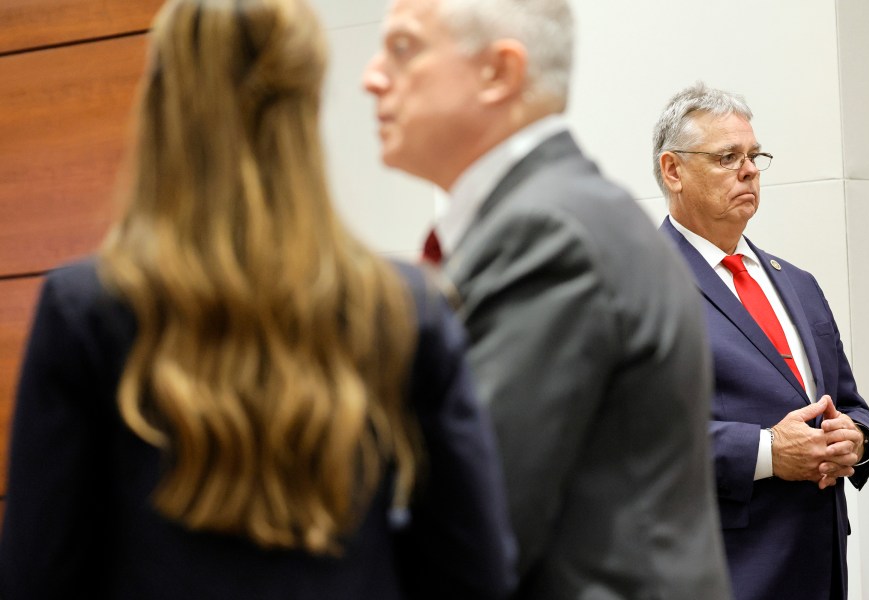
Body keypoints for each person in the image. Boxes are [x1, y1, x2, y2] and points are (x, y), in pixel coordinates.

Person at [0, 0, 517, 598]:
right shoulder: (405, 307)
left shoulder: (87, 309)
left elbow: (38, 576)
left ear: (162, 101)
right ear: (308, 101)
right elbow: (472, 572)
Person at [363, 2, 731, 599]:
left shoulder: (547, 232)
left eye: (403, 49)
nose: (371, 76)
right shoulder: (562, 212)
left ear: (498, 73)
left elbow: (476, 523)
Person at [654, 82, 869, 600]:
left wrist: (859, 440)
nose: (750, 170)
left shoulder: (796, 282)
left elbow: (849, 404)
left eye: (754, 156)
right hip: (720, 572)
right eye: (727, 157)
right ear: (673, 171)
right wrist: (765, 452)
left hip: (820, 568)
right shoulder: (634, 282)